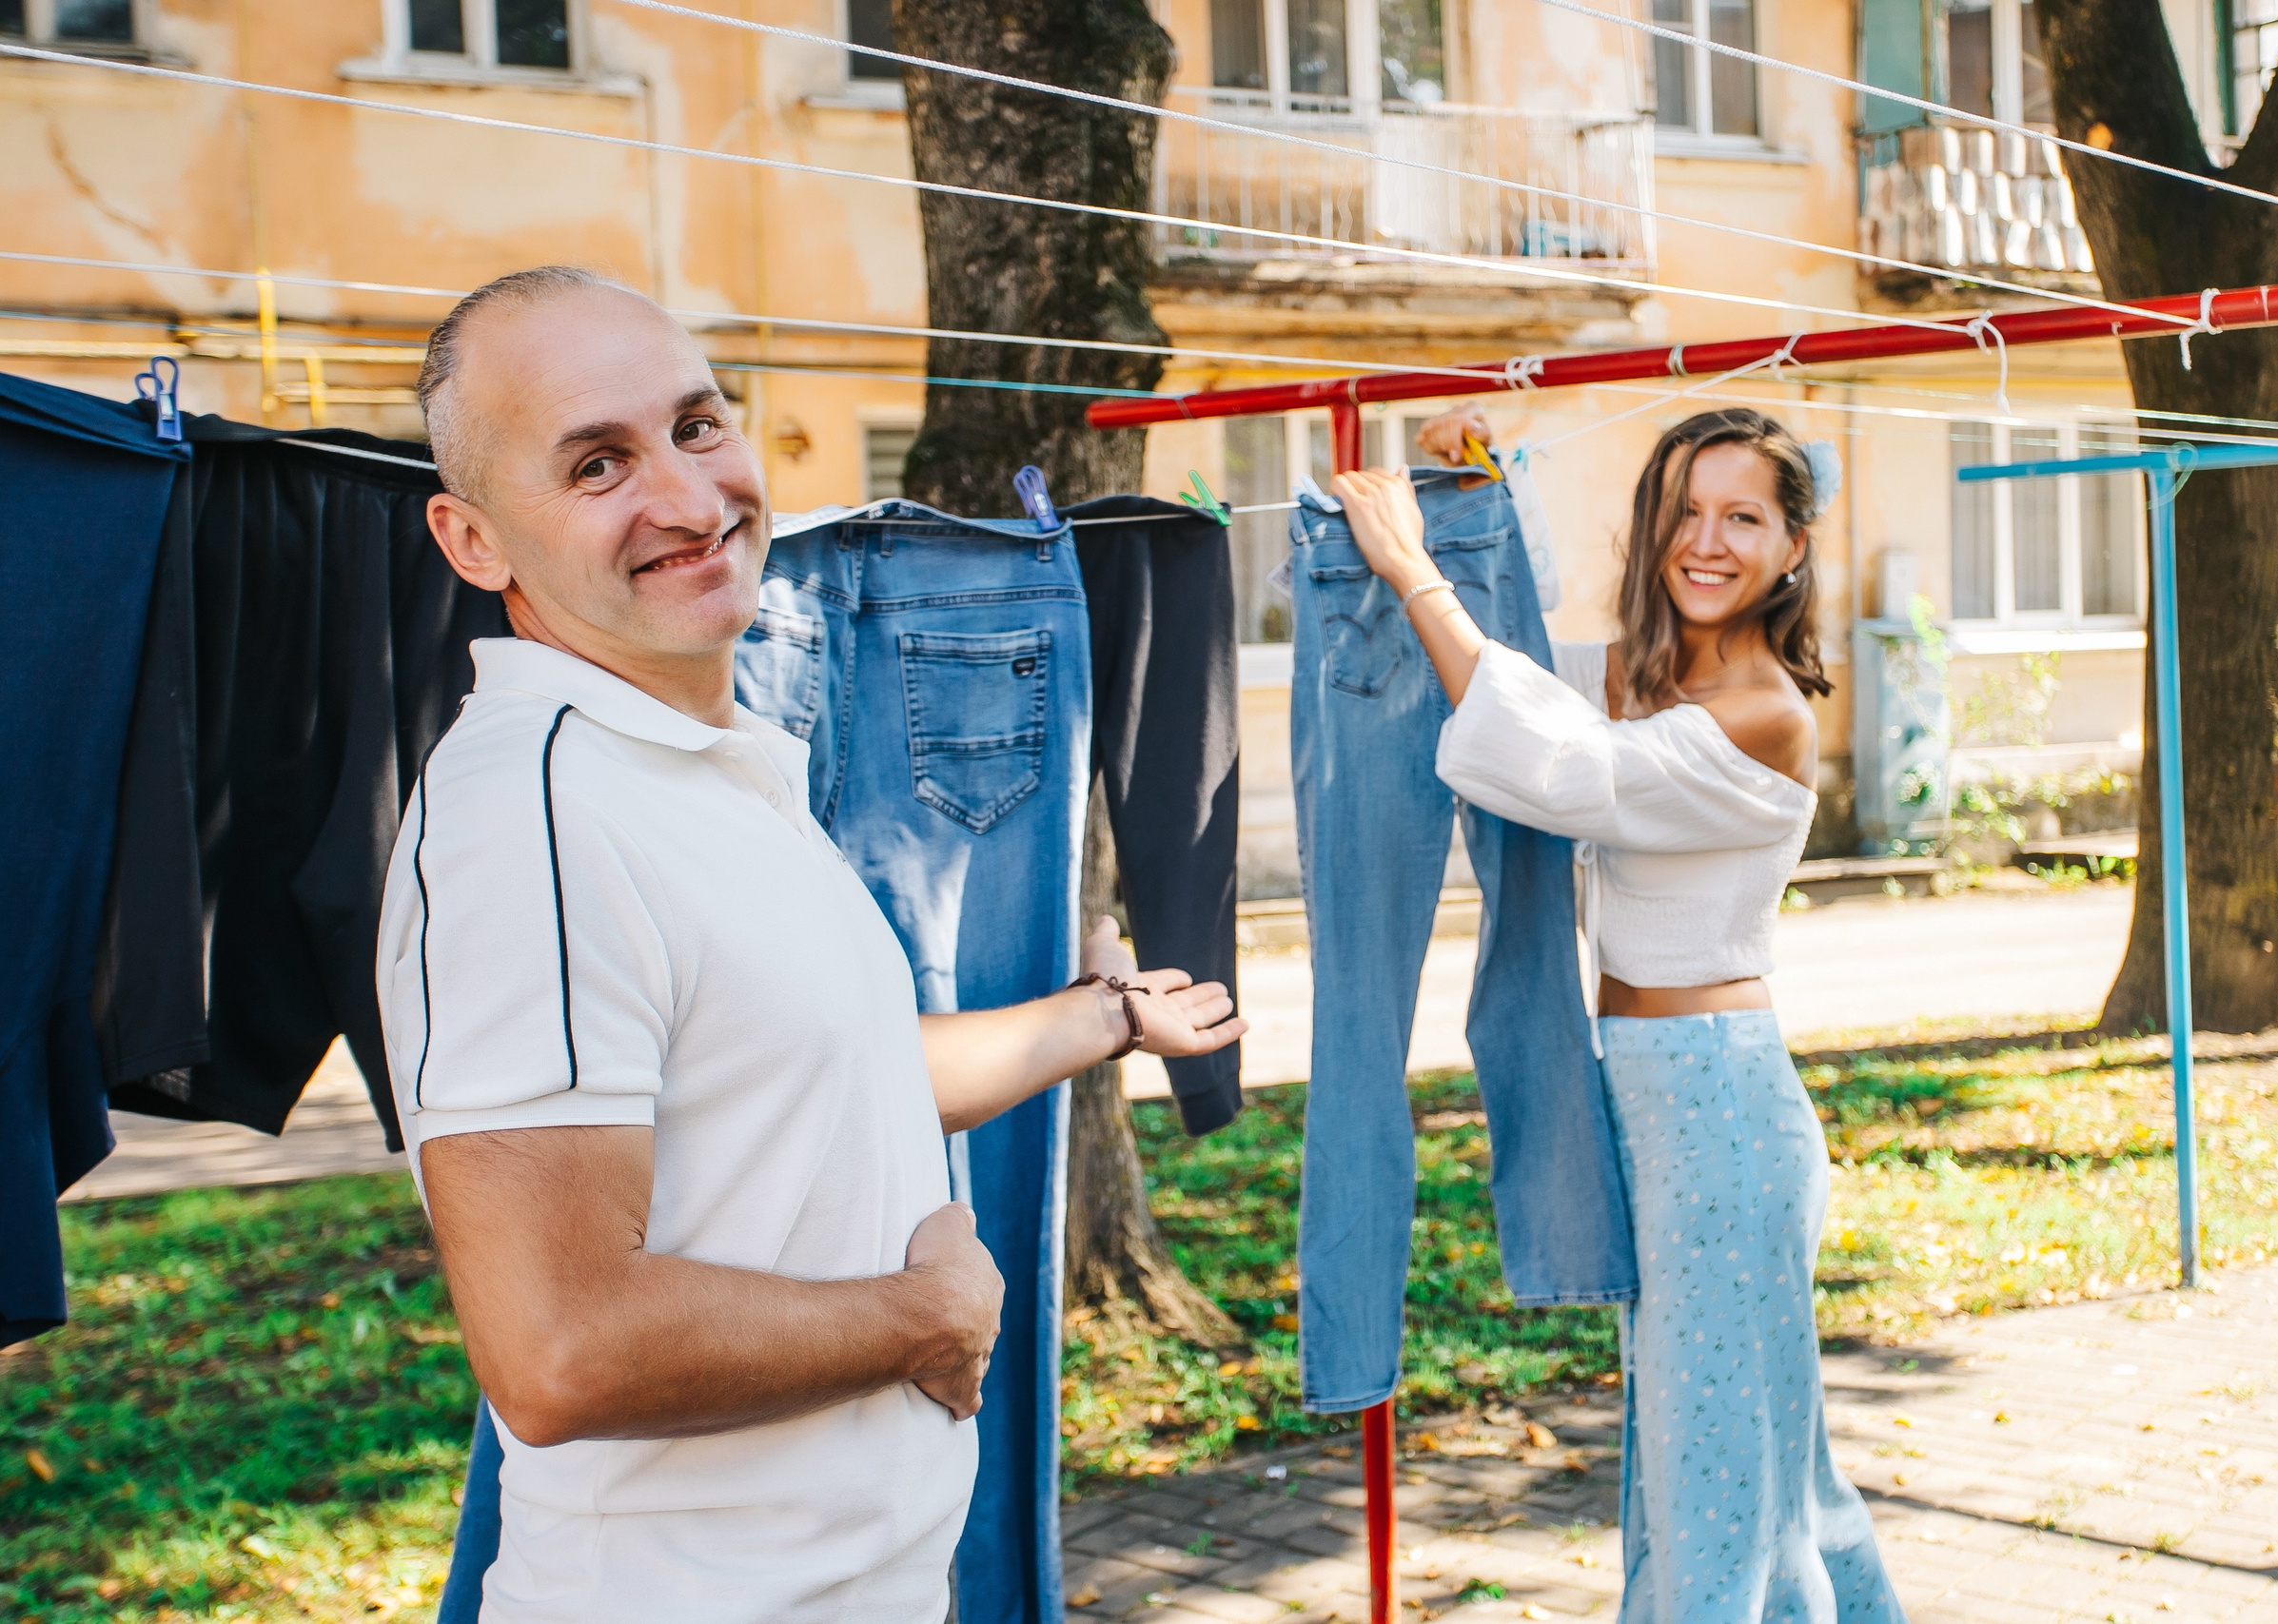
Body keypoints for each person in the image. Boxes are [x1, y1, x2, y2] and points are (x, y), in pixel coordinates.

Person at [380, 264, 1246, 1623]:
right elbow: (559, 1347)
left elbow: (822, 1074)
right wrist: (927, 1318)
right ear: (473, 539)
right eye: (598, 464)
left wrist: (1105, 1013)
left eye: (696, 425)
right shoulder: (532, 819)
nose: (688, 499)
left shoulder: (704, 766)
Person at [1338, 405, 1906, 1621]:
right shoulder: (1646, 677)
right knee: (1732, 1454)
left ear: (1793, 547)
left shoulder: (1765, 712)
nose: (1706, 541)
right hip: (1653, 1093)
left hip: (1718, 1103)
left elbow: (1564, 769)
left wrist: (1412, 567)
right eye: (1683, 512)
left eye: (1742, 517)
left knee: (1717, 1468)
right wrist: (1480, 482)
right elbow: (1525, 663)